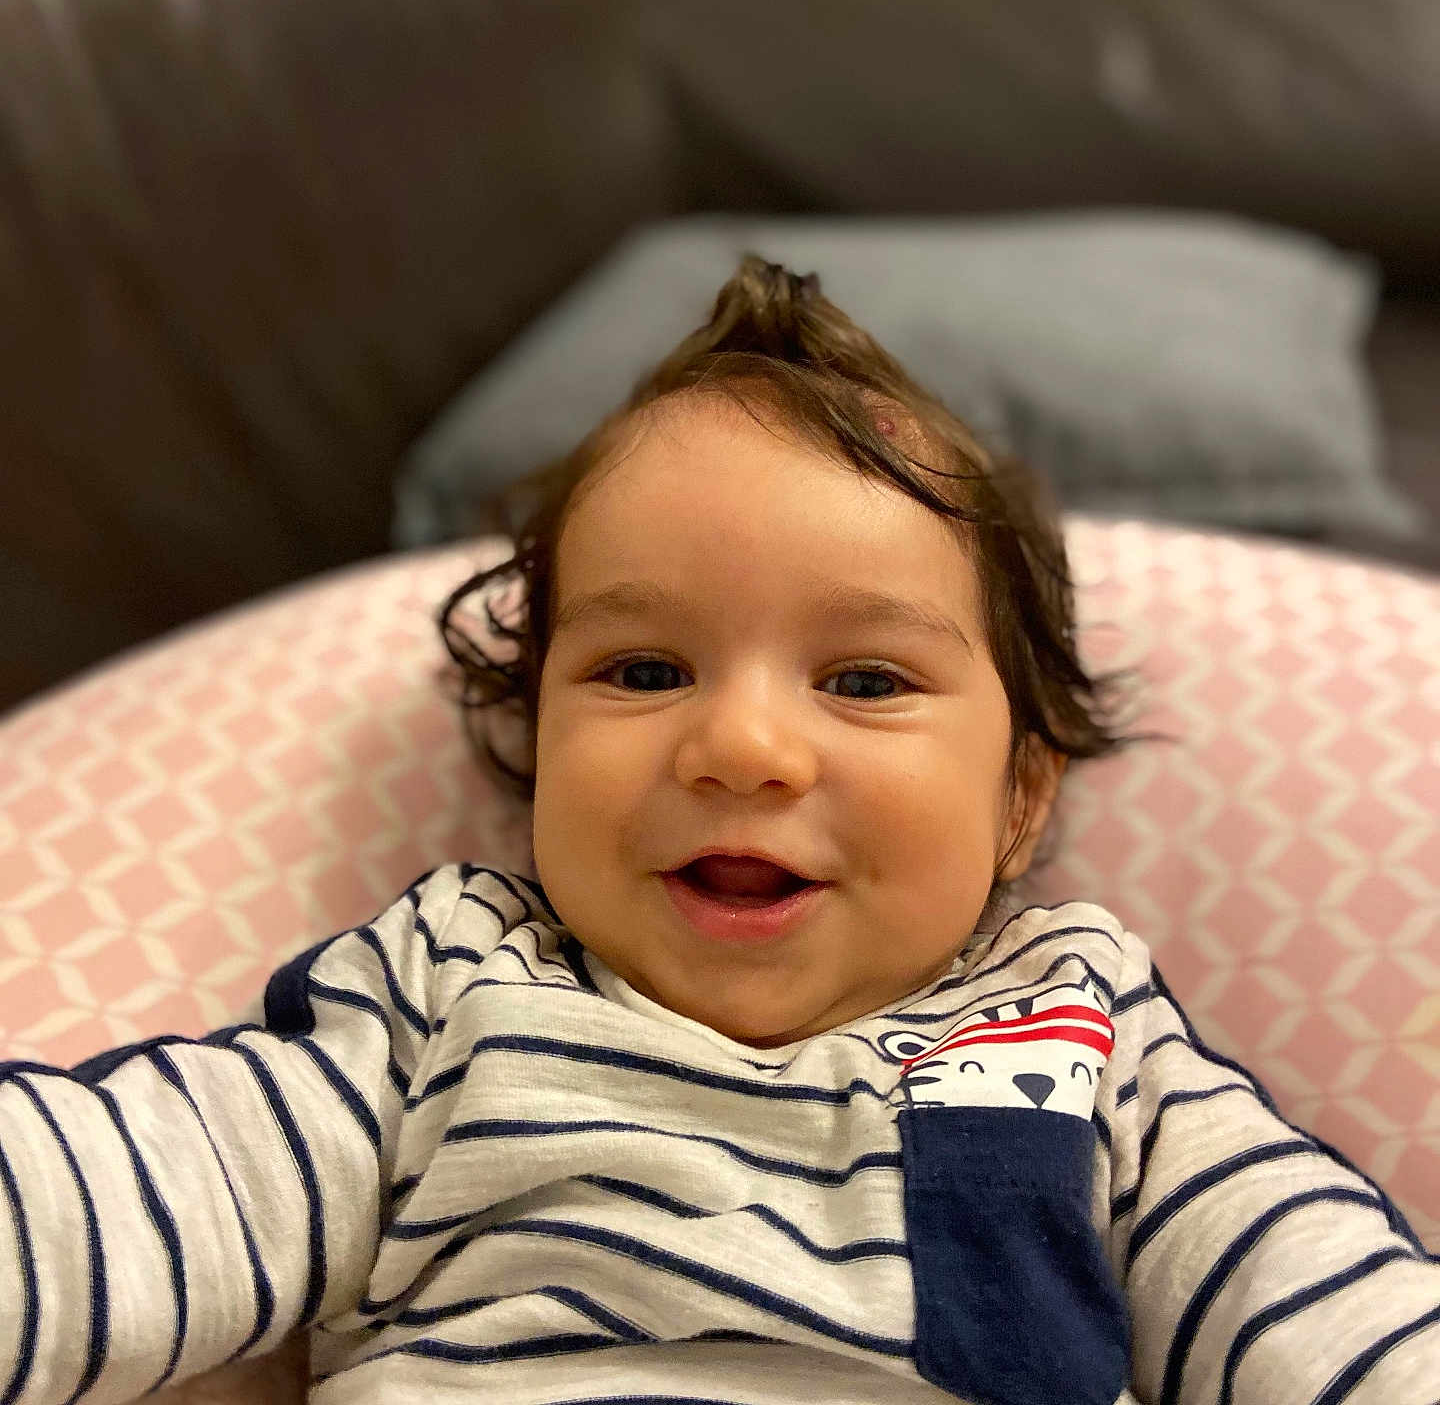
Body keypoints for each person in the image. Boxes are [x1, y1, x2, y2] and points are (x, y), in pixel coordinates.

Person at [1, 258, 1436, 1405]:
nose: (743, 747)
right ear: (537, 739)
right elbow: (136, 1193)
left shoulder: (1083, 1026)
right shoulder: (450, 991)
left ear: (1019, 799)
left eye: (865, 681)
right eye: (641, 672)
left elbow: (1318, 1303)